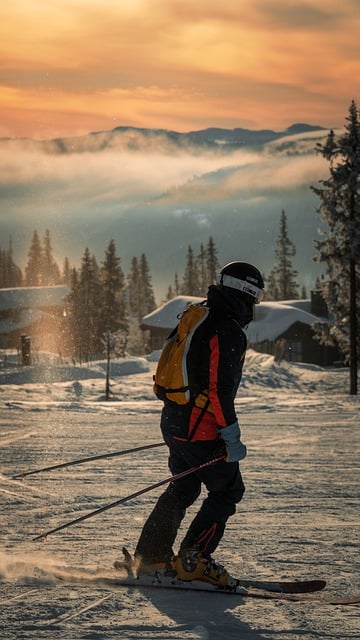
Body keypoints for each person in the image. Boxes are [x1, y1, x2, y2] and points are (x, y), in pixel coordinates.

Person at [132, 261, 264, 587]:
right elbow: (219, 392)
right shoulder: (228, 329)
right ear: (246, 294)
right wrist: (231, 435)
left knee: (185, 485)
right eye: (255, 299)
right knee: (228, 489)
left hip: (174, 419)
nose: (254, 307)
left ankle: (150, 558)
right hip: (198, 428)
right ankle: (194, 560)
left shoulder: (199, 315)